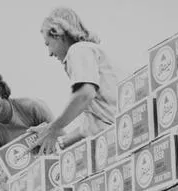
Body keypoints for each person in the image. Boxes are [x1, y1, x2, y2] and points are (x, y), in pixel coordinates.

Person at [31, 7, 120, 154]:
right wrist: (55, 138)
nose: (50, 53)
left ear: (57, 33)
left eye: (48, 44)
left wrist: (53, 128)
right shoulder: (89, 52)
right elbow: (90, 127)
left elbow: (85, 94)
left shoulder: (77, 50)